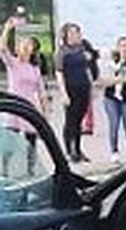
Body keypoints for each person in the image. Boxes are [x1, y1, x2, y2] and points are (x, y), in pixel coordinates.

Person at [0, 13, 47, 176]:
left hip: (29, 108)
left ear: (33, 50)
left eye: (30, 45)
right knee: (10, 143)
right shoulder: (13, 63)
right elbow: (2, 48)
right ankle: (4, 171)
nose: (26, 46)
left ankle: (30, 171)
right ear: (18, 48)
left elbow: (41, 92)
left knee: (31, 143)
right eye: (24, 44)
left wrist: (44, 111)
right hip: (15, 109)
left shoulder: (34, 69)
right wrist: (7, 28)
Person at [54, 22, 98, 164]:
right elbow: (59, 74)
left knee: (79, 121)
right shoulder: (62, 51)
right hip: (70, 89)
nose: (74, 36)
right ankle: (69, 151)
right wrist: (64, 93)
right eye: (71, 33)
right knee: (70, 121)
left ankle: (78, 150)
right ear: (65, 35)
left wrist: (92, 88)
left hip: (83, 88)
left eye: (77, 33)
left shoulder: (81, 49)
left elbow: (87, 70)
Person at [100, 35, 126, 162]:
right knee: (114, 124)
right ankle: (114, 151)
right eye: (122, 46)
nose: (124, 49)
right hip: (110, 98)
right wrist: (115, 79)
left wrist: (115, 79)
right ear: (117, 48)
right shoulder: (112, 61)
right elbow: (103, 80)